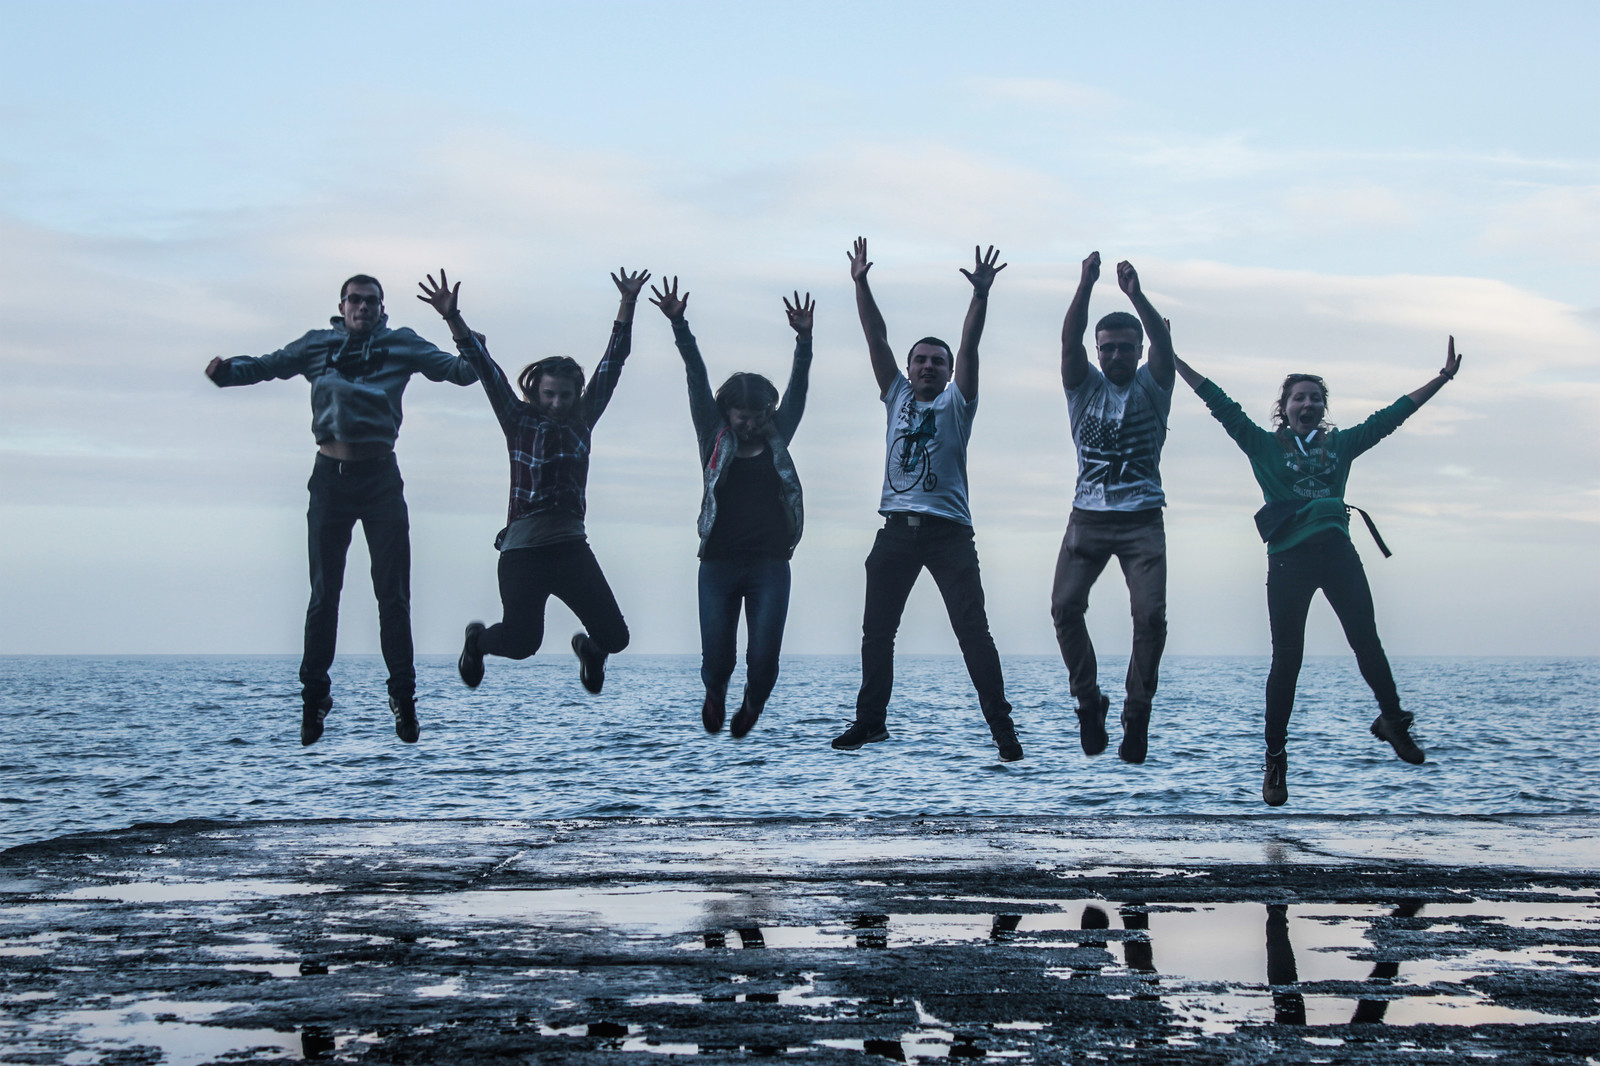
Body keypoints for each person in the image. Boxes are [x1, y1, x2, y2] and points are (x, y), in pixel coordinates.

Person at [1172, 338, 1464, 805]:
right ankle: (1274, 758)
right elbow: (1219, 402)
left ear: (1323, 408)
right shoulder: (1262, 445)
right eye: (1298, 398)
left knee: (1367, 642)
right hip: (1289, 559)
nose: (1307, 404)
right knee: (1287, 659)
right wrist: (1173, 358)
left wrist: (1442, 379)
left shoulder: (1341, 445)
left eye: (1314, 398)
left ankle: (1392, 720)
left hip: (1337, 554)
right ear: (1284, 408)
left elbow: (1392, 416)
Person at [205, 275, 478, 746]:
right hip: (330, 479)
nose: (363, 308)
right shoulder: (317, 346)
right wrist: (226, 372)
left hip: (380, 479)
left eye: (371, 301)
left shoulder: (401, 344)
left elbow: (463, 371)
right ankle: (314, 698)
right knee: (323, 595)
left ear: (381, 308)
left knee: (392, 596)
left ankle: (403, 697)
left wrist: (454, 320)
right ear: (342, 305)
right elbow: (268, 365)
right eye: (355, 300)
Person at [832, 238, 1023, 762]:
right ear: (909, 367)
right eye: (920, 360)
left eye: (937, 362)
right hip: (896, 531)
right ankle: (870, 723)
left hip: (949, 536)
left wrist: (980, 296)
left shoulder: (959, 402)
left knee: (973, 634)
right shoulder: (895, 394)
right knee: (877, 633)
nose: (928, 367)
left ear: (948, 371)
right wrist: (860, 283)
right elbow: (875, 336)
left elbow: (970, 346)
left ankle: (1002, 730)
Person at [416, 267, 647, 696]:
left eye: (565, 395)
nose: (557, 402)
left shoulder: (583, 419)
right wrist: (452, 317)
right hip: (523, 553)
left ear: (576, 395)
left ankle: (590, 651)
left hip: (570, 548)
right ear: (535, 393)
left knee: (616, 637)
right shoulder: (517, 419)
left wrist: (628, 302)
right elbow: (486, 368)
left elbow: (613, 362)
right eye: (549, 394)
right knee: (522, 644)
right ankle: (477, 642)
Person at [649, 278, 814, 738]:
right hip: (718, 564)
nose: (751, 425)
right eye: (743, 417)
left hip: (770, 564)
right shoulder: (713, 436)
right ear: (727, 412)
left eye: (759, 416)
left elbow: (798, 391)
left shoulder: (778, 435)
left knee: (763, 657)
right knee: (717, 656)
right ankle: (716, 692)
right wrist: (680, 325)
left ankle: (754, 702)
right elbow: (695, 377)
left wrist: (804, 341)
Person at [1053, 253, 1177, 764]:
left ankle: (1137, 713)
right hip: (1088, 518)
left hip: (1142, 520)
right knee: (1064, 609)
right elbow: (1068, 342)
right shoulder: (1083, 387)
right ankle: (1089, 703)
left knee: (1150, 617)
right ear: (1098, 352)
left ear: (1139, 351)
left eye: (1128, 347)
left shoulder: (1153, 385)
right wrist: (1084, 284)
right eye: (1109, 348)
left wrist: (1136, 295)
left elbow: (1165, 349)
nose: (1118, 355)